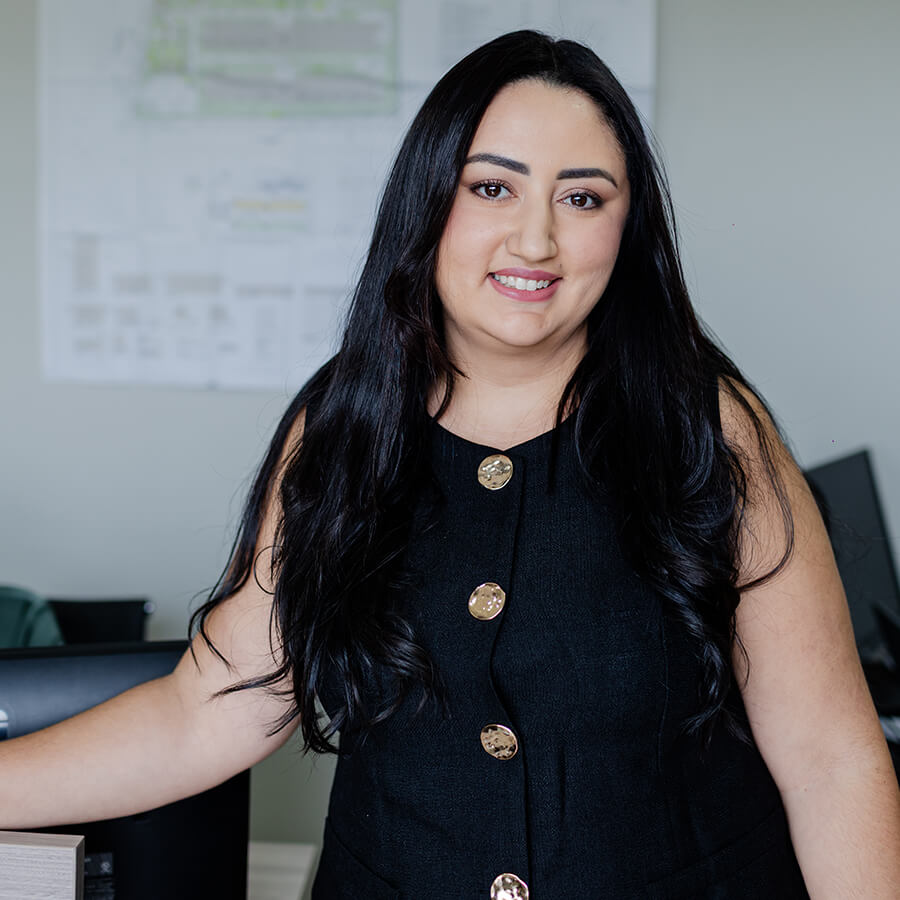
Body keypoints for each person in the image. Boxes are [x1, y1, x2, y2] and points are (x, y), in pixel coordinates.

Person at [2, 30, 899, 898]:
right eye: (492, 188)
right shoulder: (344, 424)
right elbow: (209, 711)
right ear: (428, 201)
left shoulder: (707, 427)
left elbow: (832, 760)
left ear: (628, 227)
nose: (536, 241)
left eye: (583, 199)